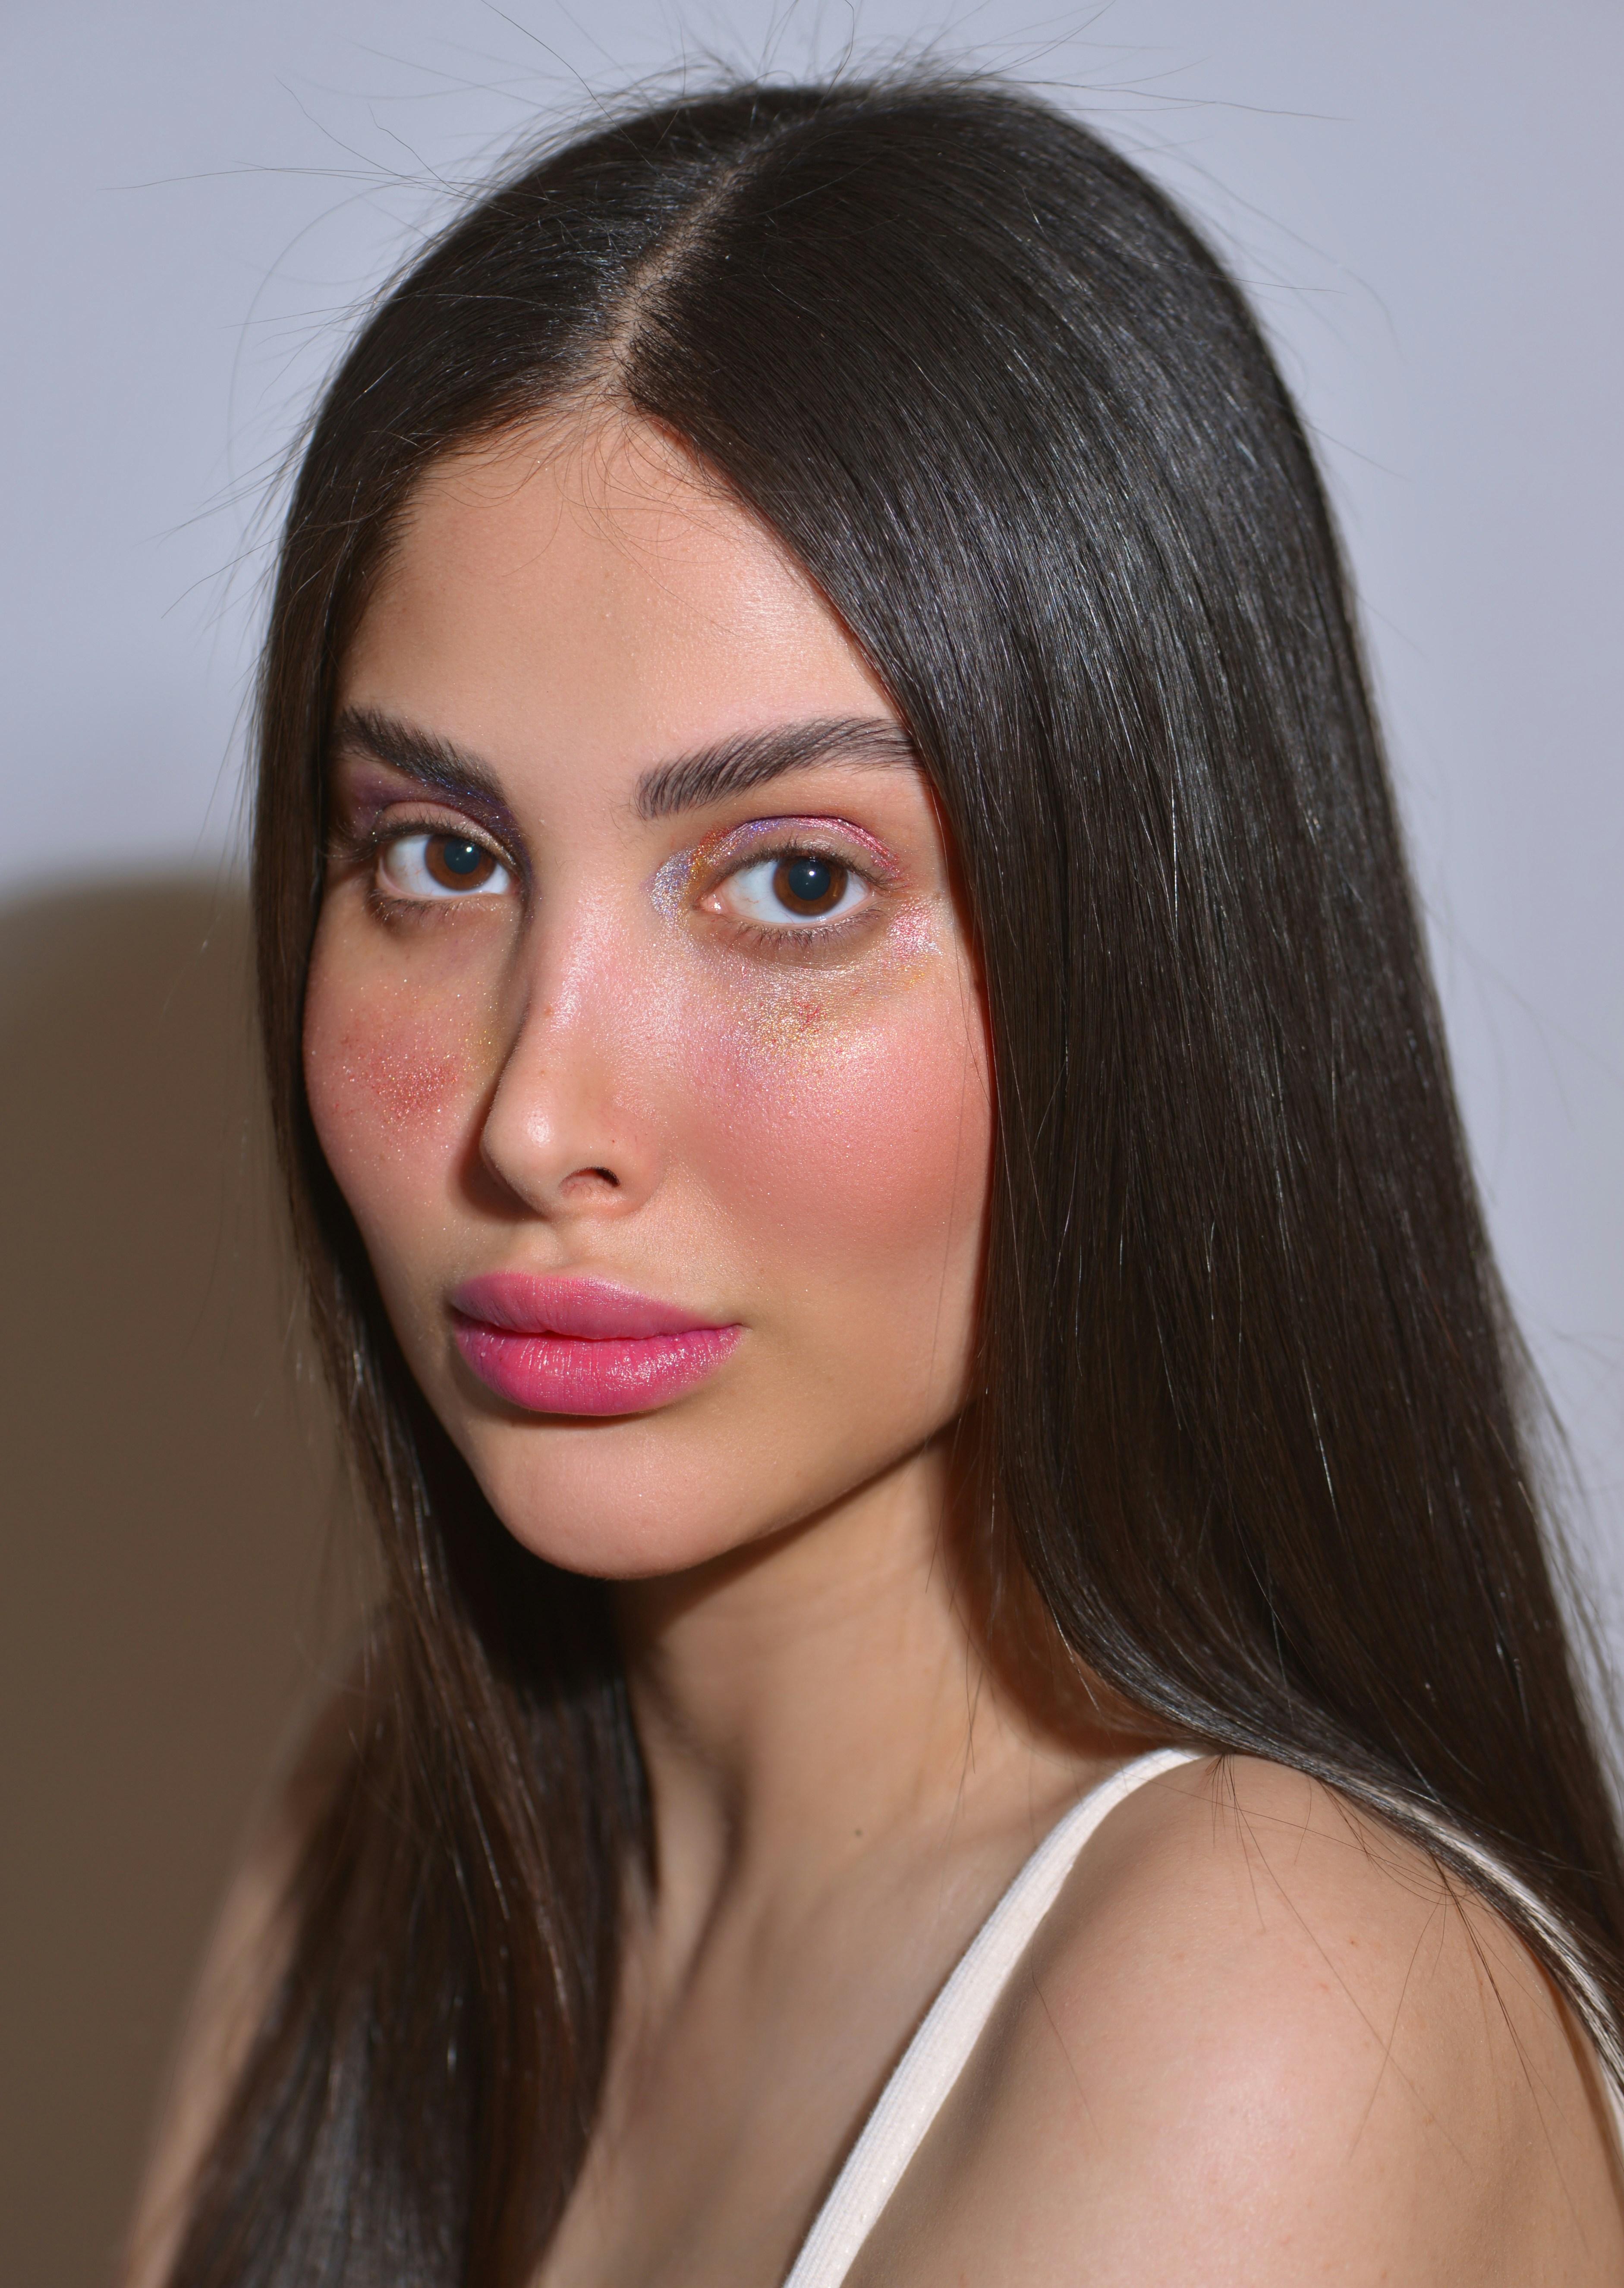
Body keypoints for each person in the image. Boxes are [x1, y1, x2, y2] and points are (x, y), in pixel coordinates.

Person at [125, 72, 1624, 2287]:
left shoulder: (1277, 2010)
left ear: (1156, 960)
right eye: (437, 859)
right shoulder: (375, 1845)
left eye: (796, 883)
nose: (535, 1119)